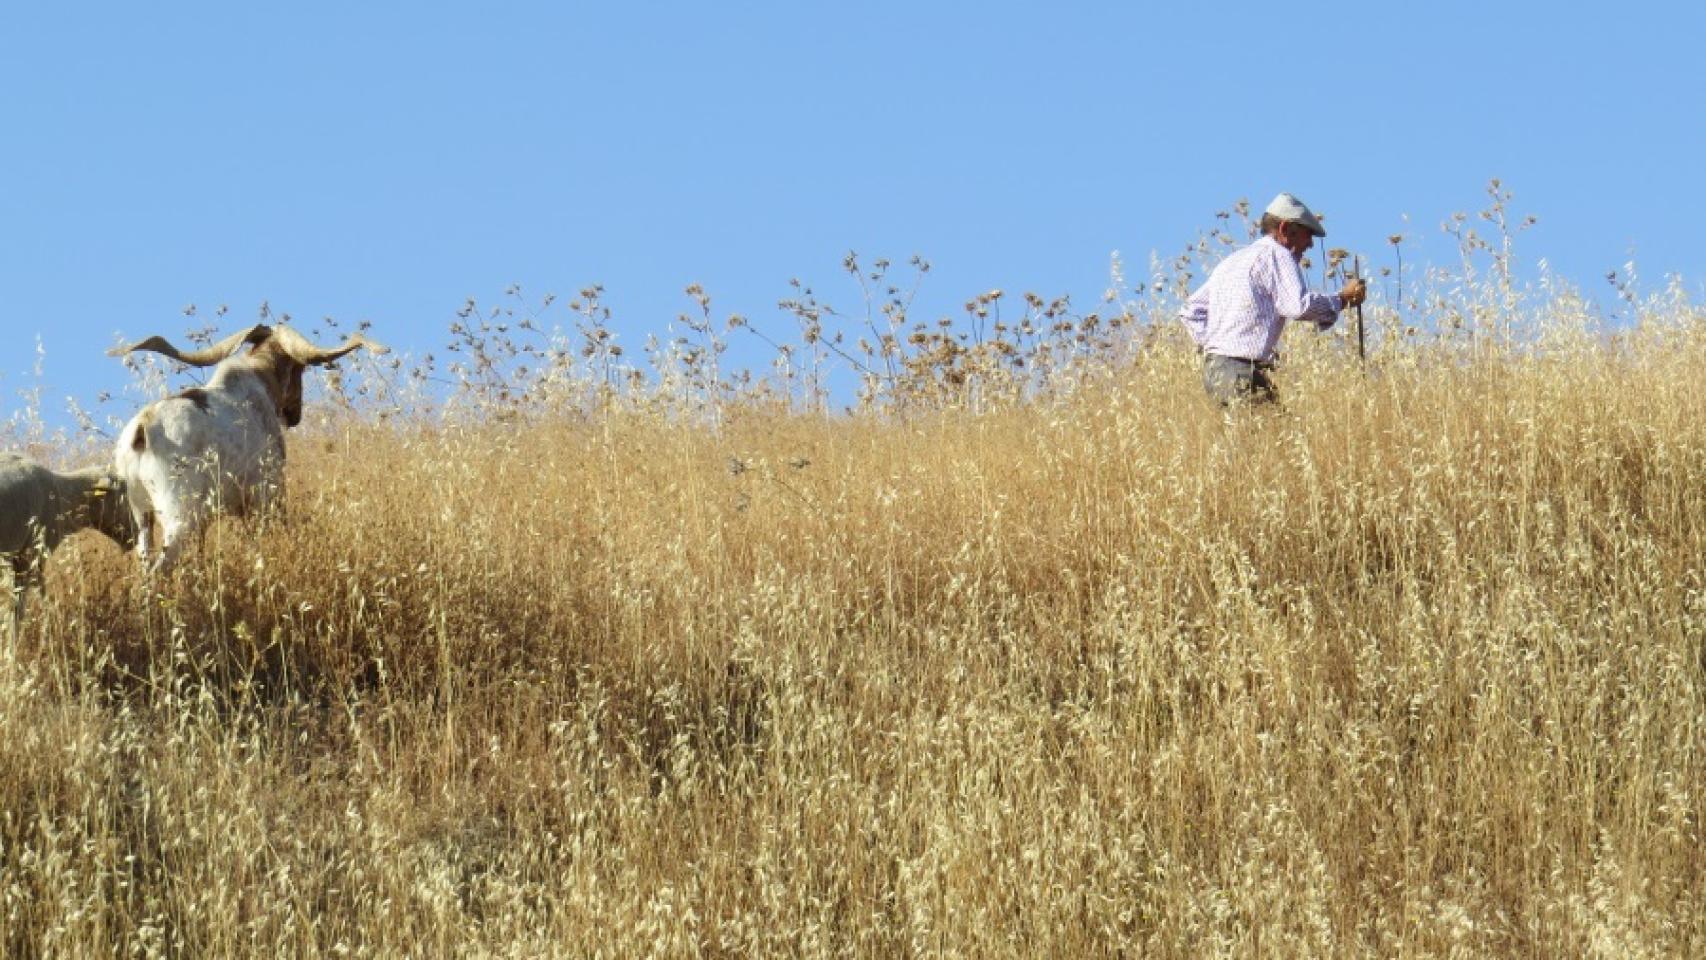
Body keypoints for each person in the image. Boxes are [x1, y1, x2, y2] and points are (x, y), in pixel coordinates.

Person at [1179, 193, 1366, 405]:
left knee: (1262, 435)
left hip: (1215, 372)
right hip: (1241, 372)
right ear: (1285, 229)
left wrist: (1216, 347)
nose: (1311, 244)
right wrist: (1342, 299)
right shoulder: (1277, 254)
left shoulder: (1232, 260)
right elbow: (1298, 306)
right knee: (1274, 434)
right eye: (1308, 234)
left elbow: (1191, 311)